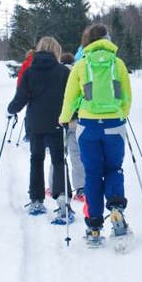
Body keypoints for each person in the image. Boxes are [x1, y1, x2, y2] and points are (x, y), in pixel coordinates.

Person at [59, 23, 133, 245]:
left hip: (88, 126)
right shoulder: (117, 63)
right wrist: (122, 113)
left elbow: (70, 98)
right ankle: (117, 208)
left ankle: (93, 226)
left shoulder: (81, 65)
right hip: (114, 124)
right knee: (114, 168)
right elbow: (126, 96)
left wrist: (64, 119)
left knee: (92, 173)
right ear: (107, 39)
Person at [8, 37, 73, 221]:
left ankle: (36, 199)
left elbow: (21, 97)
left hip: (35, 124)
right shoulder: (63, 72)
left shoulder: (30, 71)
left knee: (36, 160)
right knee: (59, 160)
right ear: (56, 51)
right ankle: (62, 199)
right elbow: (71, 97)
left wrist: (11, 110)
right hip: (57, 122)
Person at [60, 51, 86, 201]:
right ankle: (81, 188)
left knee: (59, 156)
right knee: (77, 155)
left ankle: (57, 186)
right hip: (78, 119)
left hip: (63, 119)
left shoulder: (57, 73)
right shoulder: (78, 71)